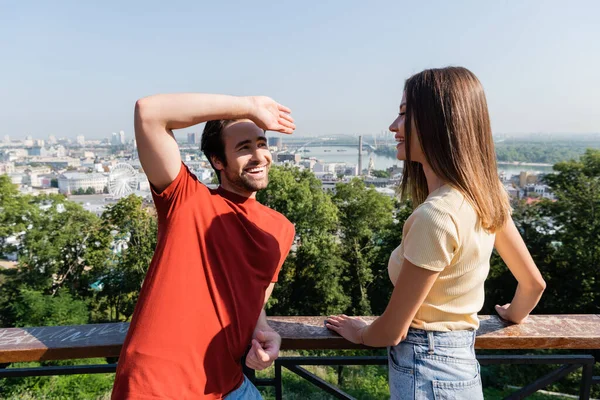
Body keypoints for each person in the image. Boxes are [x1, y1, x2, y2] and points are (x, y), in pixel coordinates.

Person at [326, 67, 546, 399]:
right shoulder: (485, 196)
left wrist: (360, 332)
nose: (392, 127)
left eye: (403, 115)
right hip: (460, 368)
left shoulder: (436, 216)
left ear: (437, 122)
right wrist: (511, 314)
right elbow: (533, 284)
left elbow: (392, 330)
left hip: (426, 374)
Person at [111, 94, 296, 399]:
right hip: (158, 385)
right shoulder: (186, 200)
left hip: (227, 383)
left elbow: (256, 297)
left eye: (261, 144)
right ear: (218, 161)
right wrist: (249, 106)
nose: (259, 156)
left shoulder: (281, 229)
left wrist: (266, 333)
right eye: (244, 148)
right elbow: (149, 113)